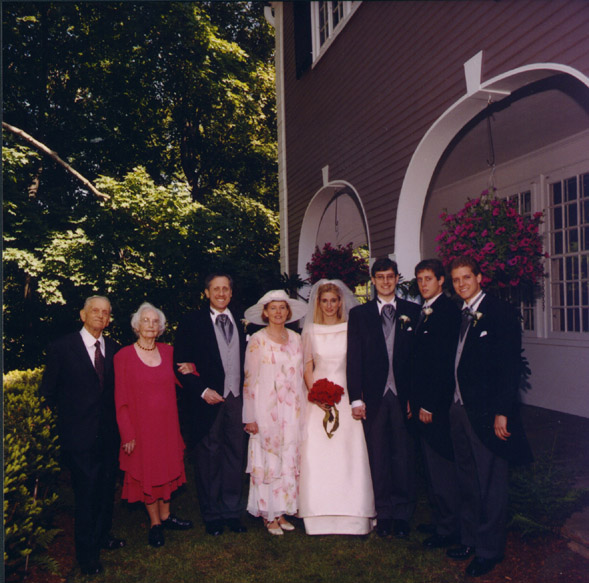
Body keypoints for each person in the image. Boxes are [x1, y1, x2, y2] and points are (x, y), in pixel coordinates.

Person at [447, 256, 532, 577]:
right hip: (458, 409)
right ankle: (470, 538)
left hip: (487, 413)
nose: (461, 284)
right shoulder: (460, 313)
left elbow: (509, 368)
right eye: (456, 280)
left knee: (490, 483)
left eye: (466, 278)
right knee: (467, 479)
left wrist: (502, 412)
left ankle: (489, 550)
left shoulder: (500, 312)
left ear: (479, 277)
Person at [40, 296, 125, 576]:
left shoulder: (115, 350)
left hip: (109, 437)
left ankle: (102, 537)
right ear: (82, 315)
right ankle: (87, 556)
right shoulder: (61, 348)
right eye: (95, 311)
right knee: (87, 494)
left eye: (106, 313)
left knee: (104, 490)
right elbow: (48, 394)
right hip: (78, 438)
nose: (101, 316)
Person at [347, 257, 420, 538]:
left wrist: (415, 396)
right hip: (375, 396)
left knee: (403, 456)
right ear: (373, 281)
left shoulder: (413, 311)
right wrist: (356, 398)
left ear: (397, 278)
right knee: (378, 456)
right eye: (380, 277)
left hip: (403, 397)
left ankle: (402, 514)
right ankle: (384, 513)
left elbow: (417, 361)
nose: (386, 282)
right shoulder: (360, 315)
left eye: (390, 276)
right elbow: (354, 359)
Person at [174, 273, 248, 536]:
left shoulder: (240, 322)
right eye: (215, 289)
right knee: (209, 456)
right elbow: (179, 364)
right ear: (206, 293)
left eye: (225, 288)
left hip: (236, 398)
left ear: (231, 292)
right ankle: (212, 514)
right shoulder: (192, 321)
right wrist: (203, 390)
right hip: (207, 400)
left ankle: (231, 511)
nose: (221, 293)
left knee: (235, 455)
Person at [299, 280, 375, 535]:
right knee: (319, 454)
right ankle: (317, 514)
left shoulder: (349, 328)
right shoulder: (309, 330)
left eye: (334, 300)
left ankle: (354, 514)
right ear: (318, 303)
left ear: (340, 302)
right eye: (325, 301)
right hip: (319, 398)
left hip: (346, 394)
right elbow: (307, 367)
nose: (329, 305)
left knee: (348, 453)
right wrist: (316, 394)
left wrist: (356, 397)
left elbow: (358, 363)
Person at [115, 302, 193, 548]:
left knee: (168, 470)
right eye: (146, 320)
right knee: (148, 472)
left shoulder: (170, 352)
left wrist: (192, 369)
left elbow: (185, 380)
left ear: (161, 327)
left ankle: (167, 516)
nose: (151, 325)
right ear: (137, 325)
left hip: (167, 427)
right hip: (141, 430)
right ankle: (155, 523)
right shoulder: (123, 356)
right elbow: (121, 400)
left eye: (155, 321)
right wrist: (127, 433)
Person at [242, 290, 307, 535]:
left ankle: (282, 510)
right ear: (265, 313)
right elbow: (249, 379)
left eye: (282, 308)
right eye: (273, 308)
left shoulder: (297, 339)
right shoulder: (257, 340)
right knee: (268, 460)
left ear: (288, 312)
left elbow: (301, 375)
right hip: (265, 409)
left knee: (288, 458)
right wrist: (250, 416)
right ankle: (268, 514)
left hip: (292, 410)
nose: (278, 312)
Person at [409, 259, 461, 549]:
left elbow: (442, 365)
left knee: (442, 467)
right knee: (430, 467)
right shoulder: (425, 311)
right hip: (422, 404)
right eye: (419, 279)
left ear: (442, 281)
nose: (423, 284)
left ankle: (448, 529)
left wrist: (428, 404)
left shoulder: (446, 311)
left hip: (437, 406)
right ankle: (441, 518)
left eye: (428, 278)